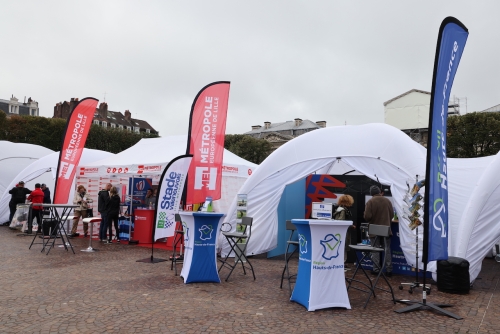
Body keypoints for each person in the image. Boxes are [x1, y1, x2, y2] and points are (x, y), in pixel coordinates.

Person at [364, 185, 394, 277]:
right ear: (379, 192)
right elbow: (392, 215)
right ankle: (389, 270)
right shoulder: (387, 201)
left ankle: (376, 269)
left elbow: (367, 217)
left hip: (374, 230)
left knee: (375, 250)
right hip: (386, 229)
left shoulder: (370, 202)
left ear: (371, 193)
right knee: (387, 249)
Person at [333, 194, 356, 264]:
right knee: (343, 247)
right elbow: (341, 221)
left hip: (338, 232)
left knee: (340, 247)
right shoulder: (344, 210)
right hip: (343, 233)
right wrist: (350, 226)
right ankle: (342, 263)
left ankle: (341, 263)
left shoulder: (338, 209)